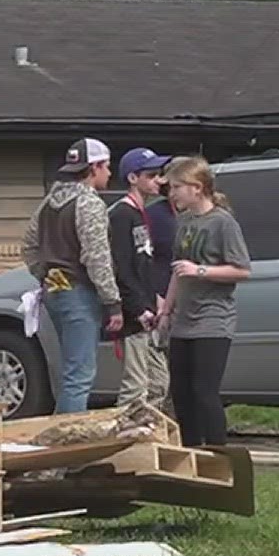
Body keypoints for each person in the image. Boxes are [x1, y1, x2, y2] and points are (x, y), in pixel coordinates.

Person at [21, 138, 122, 414]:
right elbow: (96, 256)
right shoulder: (89, 203)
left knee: (70, 370)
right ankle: (68, 441)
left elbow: (29, 245)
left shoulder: (48, 202)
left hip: (54, 291)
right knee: (79, 376)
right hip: (80, 292)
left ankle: (58, 435)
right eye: (107, 167)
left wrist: (43, 274)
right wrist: (113, 302)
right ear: (94, 168)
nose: (110, 174)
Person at [159, 156, 251, 447]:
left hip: (213, 320)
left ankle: (218, 454)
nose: (172, 193)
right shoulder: (184, 221)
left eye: (176, 187)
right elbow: (177, 271)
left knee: (204, 391)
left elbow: (242, 269)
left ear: (197, 188)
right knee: (181, 393)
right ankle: (190, 450)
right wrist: (166, 309)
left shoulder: (223, 223)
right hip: (183, 321)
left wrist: (201, 270)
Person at [110, 148, 173, 409]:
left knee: (159, 383)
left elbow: (145, 263)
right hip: (135, 313)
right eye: (151, 175)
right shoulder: (121, 215)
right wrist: (139, 308)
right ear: (133, 178)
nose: (158, 180)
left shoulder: (142, 214)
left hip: (149, 306)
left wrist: (156, 298)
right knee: (135, 386)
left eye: (159, 174)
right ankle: (124, 439)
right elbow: (122, 268)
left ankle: (147, 432)